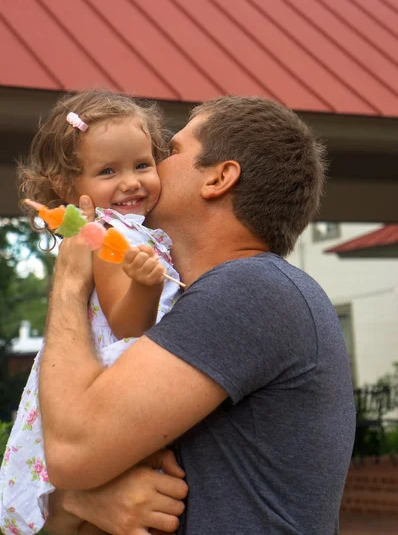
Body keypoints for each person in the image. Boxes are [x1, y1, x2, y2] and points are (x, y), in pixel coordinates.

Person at [40, 96, 356, 535]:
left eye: (170, 152)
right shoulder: (203, 301)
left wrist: (71, 283)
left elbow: (70, 452)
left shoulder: (250, 291)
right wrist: (79, 501)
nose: (150, 169)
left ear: (219, 178)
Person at [0, 90, 185, 535]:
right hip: (101, 386)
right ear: (67, 187)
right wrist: (147, 285)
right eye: (108, 171)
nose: (131, 182)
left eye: (142, 165)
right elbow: (127, 325)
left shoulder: (145, 234)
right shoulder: (104, 236)